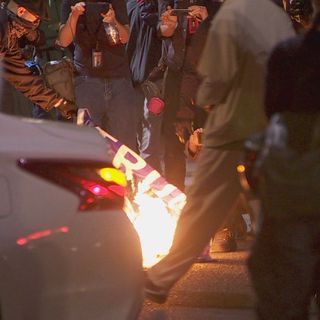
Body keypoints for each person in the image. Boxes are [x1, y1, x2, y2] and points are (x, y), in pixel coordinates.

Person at [144, 0, 295, 304]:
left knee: (201, 208)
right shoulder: (278, 20)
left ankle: (160, 279)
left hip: (228, 133)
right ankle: (290, 283)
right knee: (273, 209)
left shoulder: (228, 21)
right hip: (268, 130)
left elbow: (210, 88)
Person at [247, 2, 320, 318]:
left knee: (285, 289)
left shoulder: (290, 54)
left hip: (295, 182)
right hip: (297, 180)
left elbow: (272, 110)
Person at [58, 0, 139, 151]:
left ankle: (123, 175)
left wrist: (113, 20)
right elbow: (63, 41)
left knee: (124, 145)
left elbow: (125, 37)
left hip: (119, 80)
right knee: (87, 145)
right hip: (86, 80)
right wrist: (74, 15)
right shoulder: (70, 2)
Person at [0, 0, 76, 119]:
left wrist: (61, 103)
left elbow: (23, 79)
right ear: (21, 11)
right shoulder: (3, 29)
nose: (36, 24)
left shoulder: (9, 35)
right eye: (35, 19)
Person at [126, 0, 163, 172]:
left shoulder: (158, 5)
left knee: (151, 134)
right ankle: (146, 181)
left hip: (155, 77)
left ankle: (152, 186)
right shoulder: (128, 4)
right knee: (139, 132)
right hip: (131, 77)